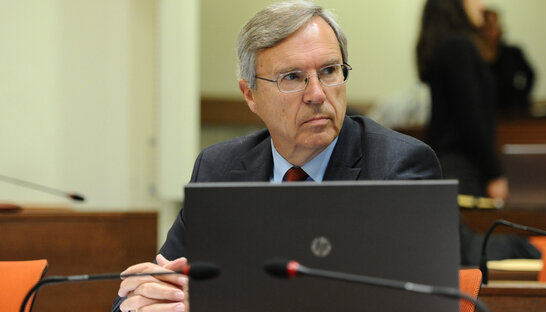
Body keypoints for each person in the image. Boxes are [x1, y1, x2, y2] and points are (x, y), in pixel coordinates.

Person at [112, 1, 441, 311]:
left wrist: (218, 302)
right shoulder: (219, 169)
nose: (316, 94)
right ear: (250, 95)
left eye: (329, 71)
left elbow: (397, 303)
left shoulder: (396, 166)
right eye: (293, 77)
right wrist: (147, 300)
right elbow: (159, 283)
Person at [416, 0, 508, 201]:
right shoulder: (458, 46)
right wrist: (494, 172)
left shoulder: (448, 45)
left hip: (450, 163)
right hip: (462, 168)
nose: (483, 6)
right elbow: (470, 117)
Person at [480, 8, 535, 118]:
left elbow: (530, 75)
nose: (491, 30)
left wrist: (521, 96)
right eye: (487, 25)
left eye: (494, 25)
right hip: (483, 111)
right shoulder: (473, 55)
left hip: (511, 111)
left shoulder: (512, 53)